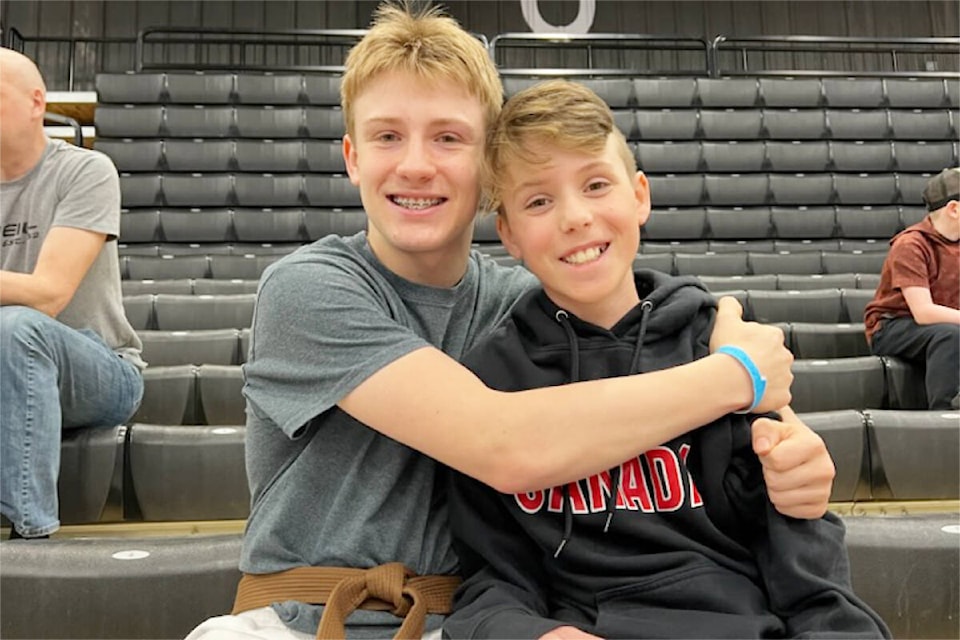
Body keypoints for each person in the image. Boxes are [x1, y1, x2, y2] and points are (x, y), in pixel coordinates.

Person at [185, 3, 836, 639]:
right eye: (388, 136)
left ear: (488, 168)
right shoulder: (307, 289)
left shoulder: (522, 300)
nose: (415, 163)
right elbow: (505, 446)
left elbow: (664, 316)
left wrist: (786, 439)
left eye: (448, 137)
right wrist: (739, 374)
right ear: (353, 157)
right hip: (294, 621)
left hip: (462, 621)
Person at [444, 79, 890, 640]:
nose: (575, 217)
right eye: (539, 200)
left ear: (640, 195)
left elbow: (802, 551)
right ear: (507, 232)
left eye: (597, 184)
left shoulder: (720, 347)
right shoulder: (491, 383)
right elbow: (491, 579)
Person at [0, 48, 145, 540]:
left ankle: (32, 536)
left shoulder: (86, 171)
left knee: (18, 328)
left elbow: (47, 295)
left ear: (36, 101)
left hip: (102, 370)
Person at [864, 167, 960, 410]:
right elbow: (923, 312)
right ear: (954, 209)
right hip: (893, 325)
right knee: (949, 335)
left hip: (944, 324)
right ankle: (943, 416)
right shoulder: (911, 245)